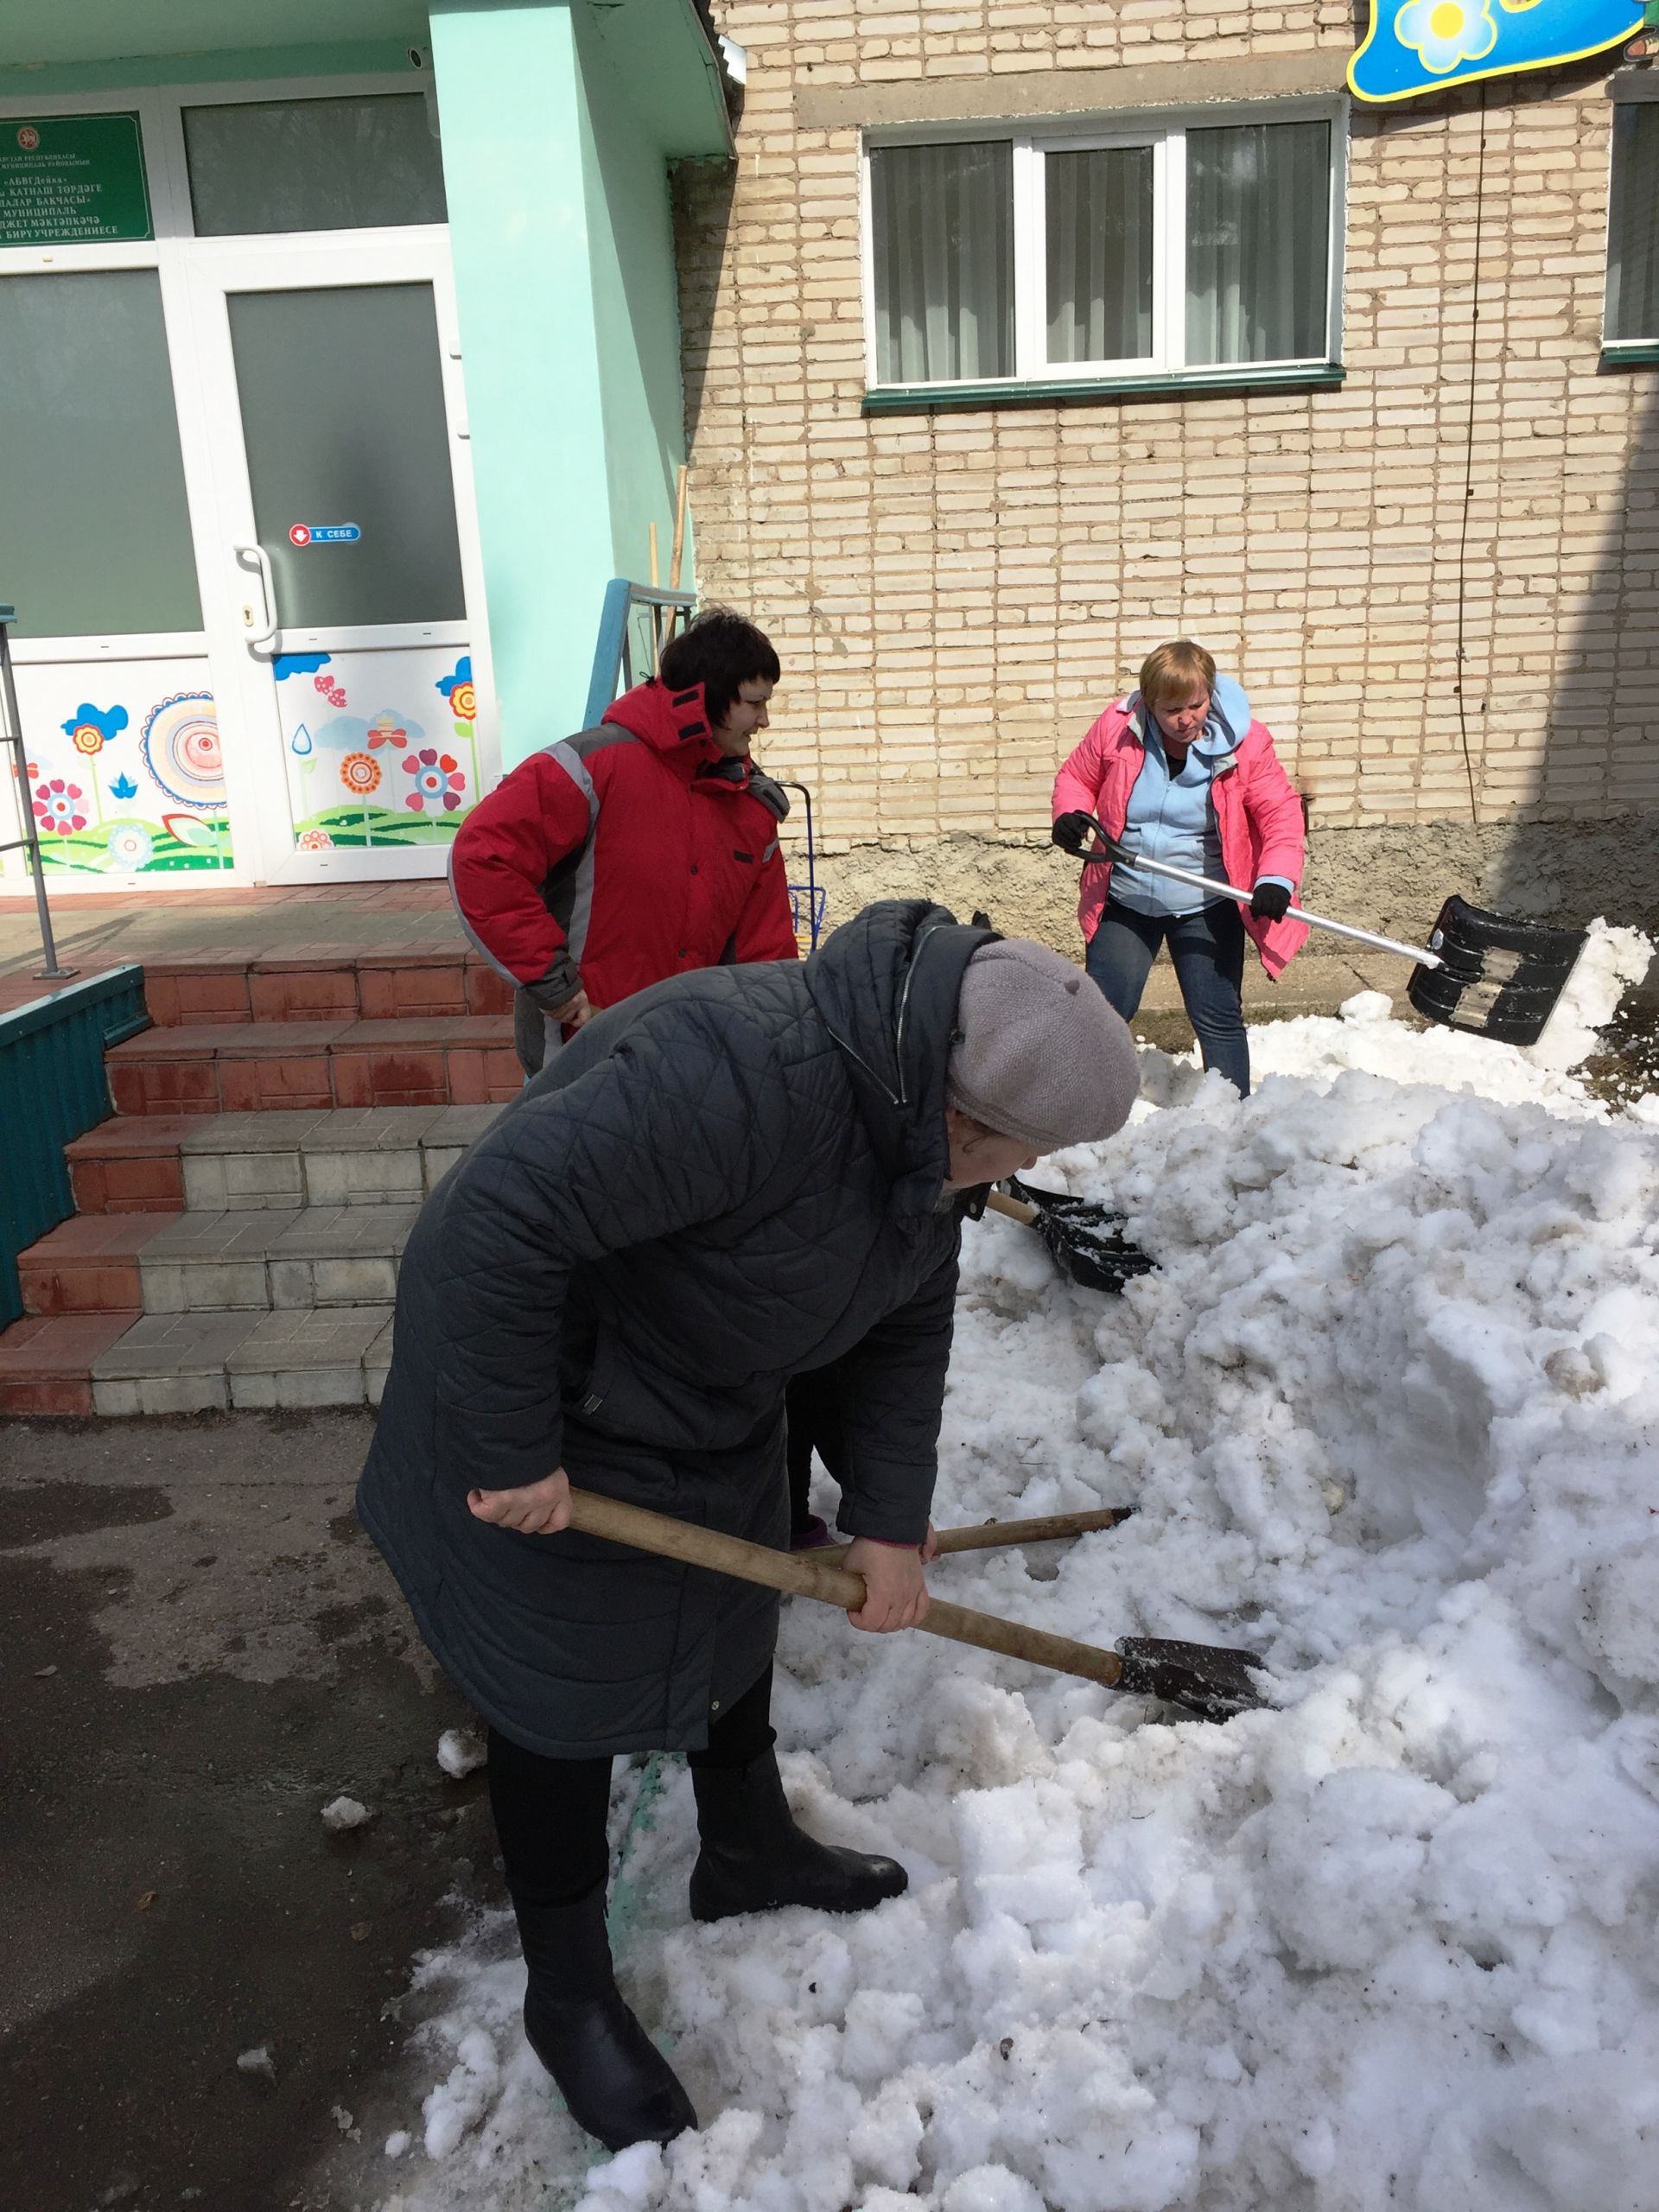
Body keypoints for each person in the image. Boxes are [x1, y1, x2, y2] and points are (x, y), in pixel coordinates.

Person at [357, 900, 1141, 2153]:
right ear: (964, 1115)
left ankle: (747, 1847)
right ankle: (568, 1995)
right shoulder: (732, 1074)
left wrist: (887, 1518)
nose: (1017, 1182)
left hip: (706, 1403)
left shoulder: (912, 1133)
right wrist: (517, 1446)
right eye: (1021, 1155)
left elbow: (902, 1324)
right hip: (539, 1405)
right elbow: (490, 1226)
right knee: (557, 1697)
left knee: (734, 1607)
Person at [449, 606, 800, 1078]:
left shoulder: (752, 806)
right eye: (754, 704)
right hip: (579, 1061)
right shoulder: (593, 766)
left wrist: (770, 1046)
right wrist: (555, 987)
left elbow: (765, 948)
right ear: (709, 699)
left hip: (693, 1063)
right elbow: (482, 857)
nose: (764, 721)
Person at [1051, 639, 1307, 1096]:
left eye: (1197, 704)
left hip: (1205, 901)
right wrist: (1069, 814)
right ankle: (1073, 1106)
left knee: (1217, 1015)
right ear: (1149, 703)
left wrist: (1275, 879)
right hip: (1127, 897)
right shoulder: (1118, 729)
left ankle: (1231, 1120)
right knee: (1103, 1011)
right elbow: (1077, 777)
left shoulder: (1246, 744)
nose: (1187, 718)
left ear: (1210, 692)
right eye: (1173, 709)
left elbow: (1280, 815)